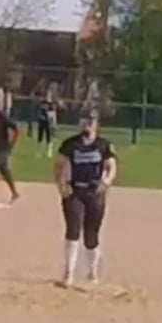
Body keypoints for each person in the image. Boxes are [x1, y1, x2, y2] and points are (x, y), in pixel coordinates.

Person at [55, 111, 117, 286]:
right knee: (73, 230)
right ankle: (69, 273)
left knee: (91, 235)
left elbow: (111, 166)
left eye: (91, 121)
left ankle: (92, 271)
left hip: (94, 193)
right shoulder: (70, 144)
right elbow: (59, 165)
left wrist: (106, 181)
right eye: (85, 121)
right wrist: (62, 185)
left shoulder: (103, 145)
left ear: (97, 124)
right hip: (75, 191)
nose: (87, 124)